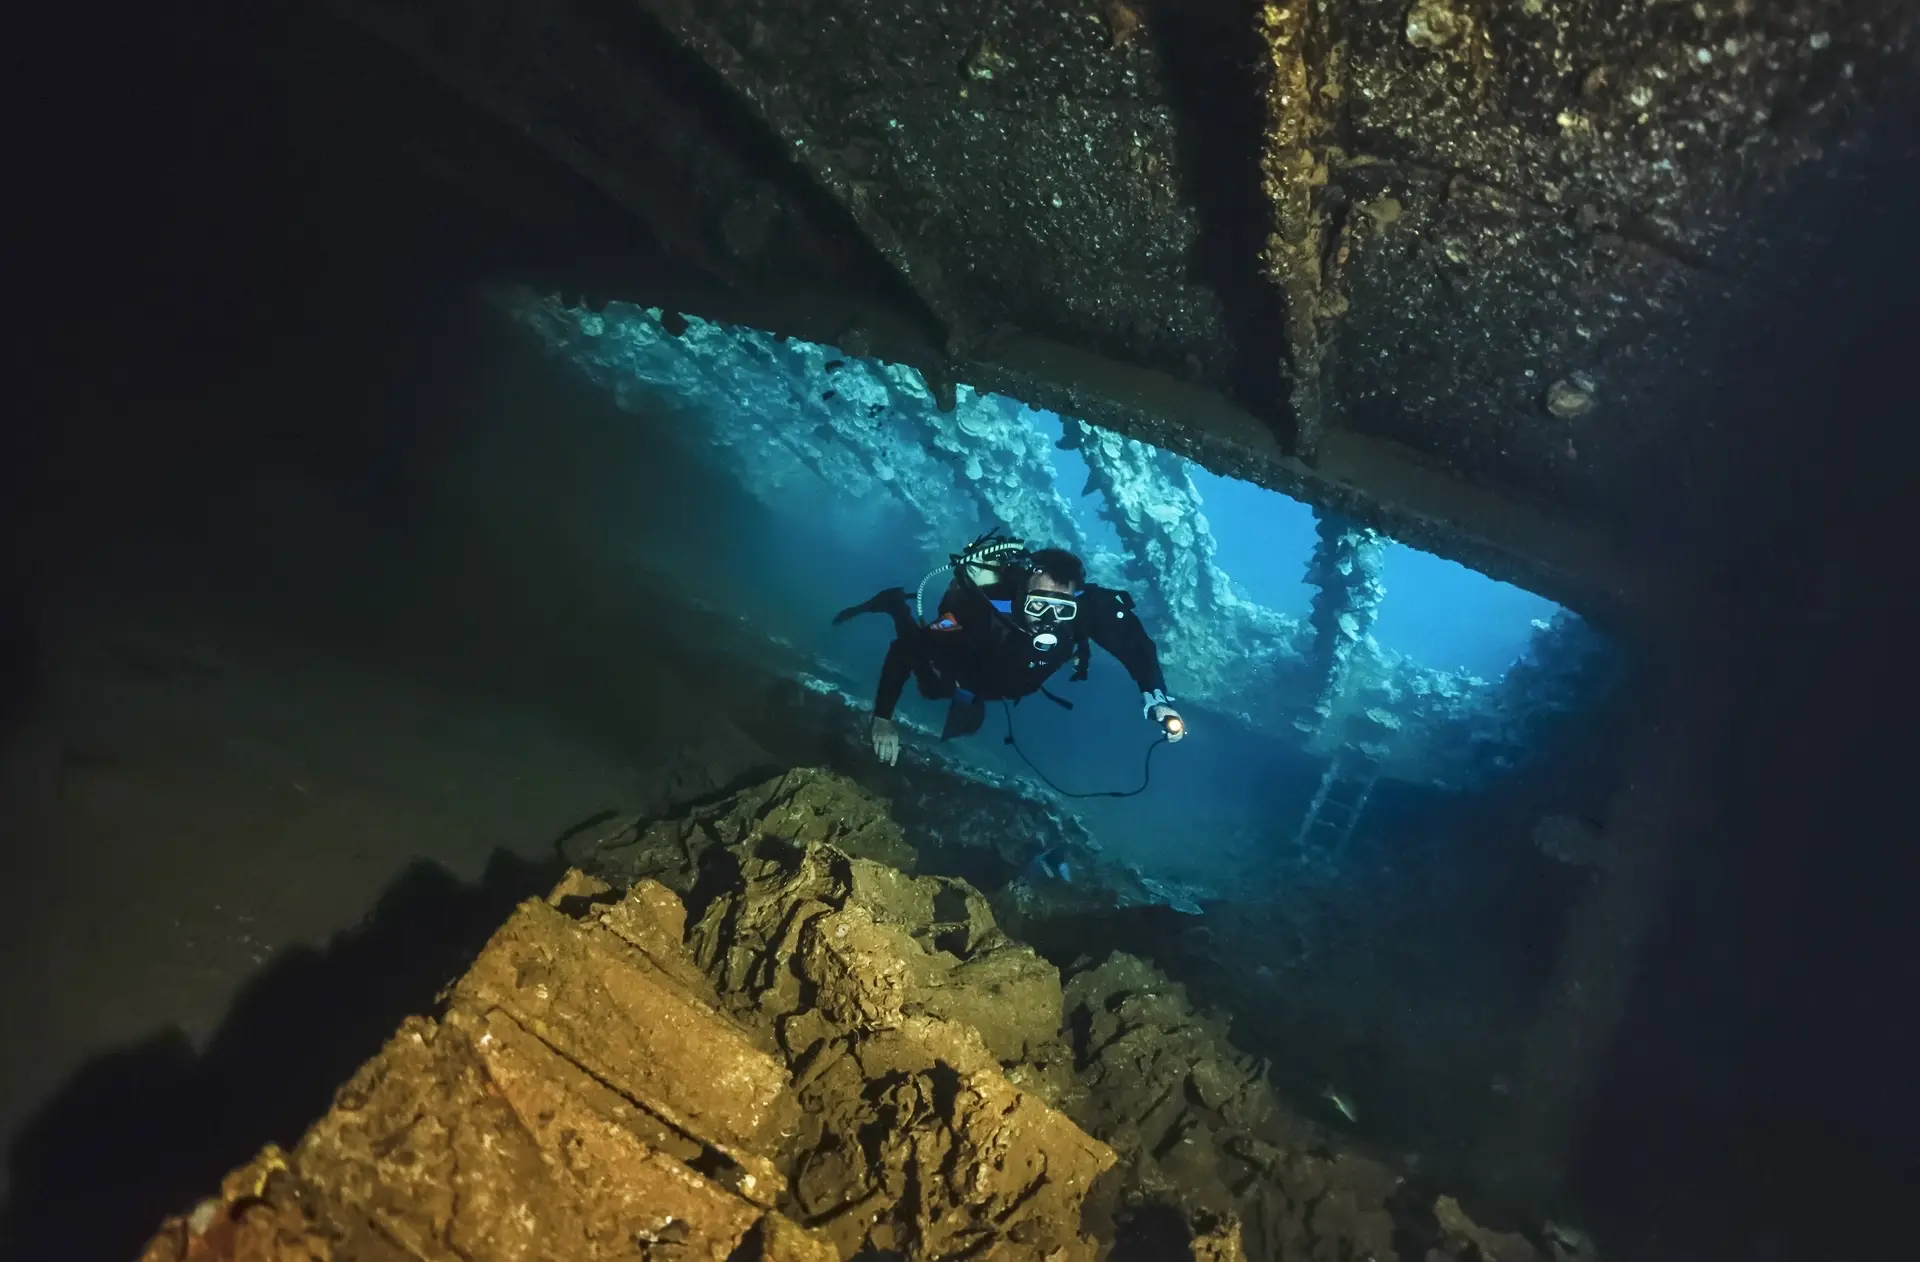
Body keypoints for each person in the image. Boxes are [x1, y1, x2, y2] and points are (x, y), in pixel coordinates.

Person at [834, 531, 1185, 766]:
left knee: (959, 699)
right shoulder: (977, 611)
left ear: (1076, 600)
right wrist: (882, 717)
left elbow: (1133, 643)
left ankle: (899, 610)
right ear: (1020, 596)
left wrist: (1156, 698)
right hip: (971, 670)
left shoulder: (1089, 609)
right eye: (1038, 606)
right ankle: (896, 606)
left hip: (1007, 682)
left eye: (1062, 610)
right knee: (931, 689)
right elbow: (906, 649)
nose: (1048, 620)